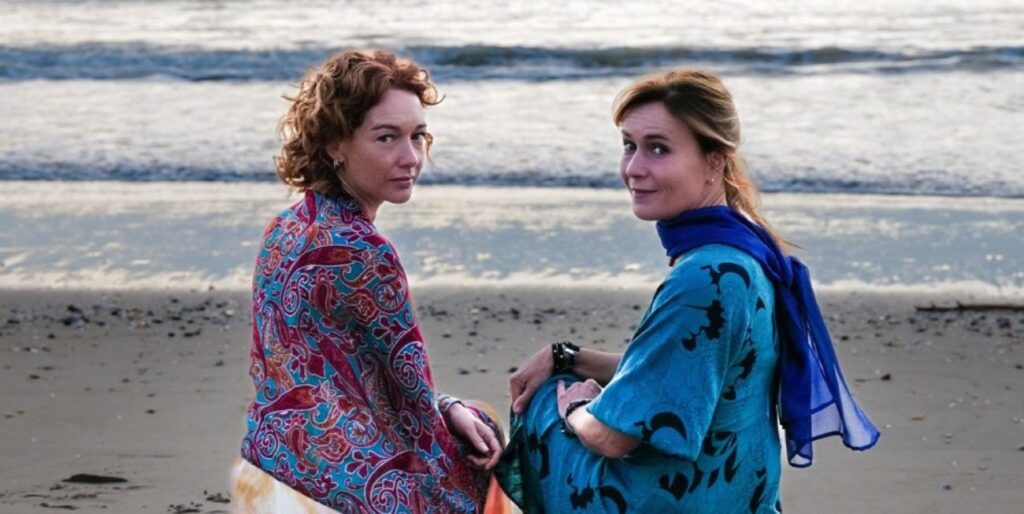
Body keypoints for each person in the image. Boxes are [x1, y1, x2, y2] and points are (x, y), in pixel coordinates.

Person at [497, 69, 879, 513]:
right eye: (629, 145)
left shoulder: (704, 277)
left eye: (658, 148)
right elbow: (680, 371)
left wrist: (574, 409)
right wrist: (568, 357)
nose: (634, 168)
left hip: (666, 503)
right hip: (735, 497)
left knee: (544, 399)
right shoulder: (745, 250)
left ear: (715, 161)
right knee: (560, 377)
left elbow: (612, 437)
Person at [231, 50, 508, 514]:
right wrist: (461, 417)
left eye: (417, 136)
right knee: (492, 440)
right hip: (341, 489)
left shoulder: (286, 226)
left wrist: (446, 406)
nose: (411, 157)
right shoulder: (365, 251)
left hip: (266, 461)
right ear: (335, 143)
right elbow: (414, 404)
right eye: (386, 138)